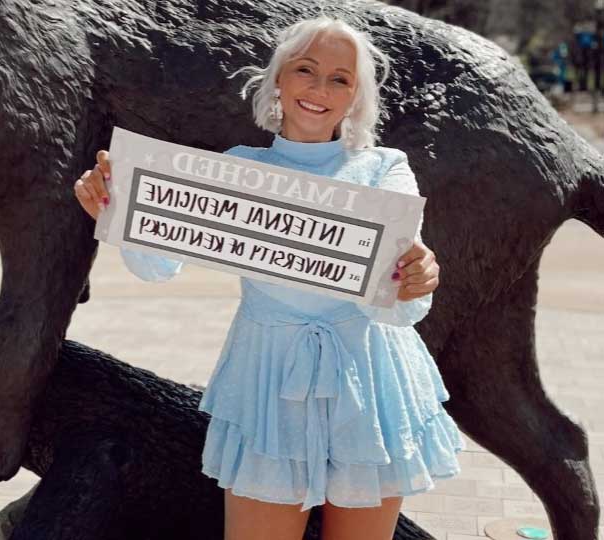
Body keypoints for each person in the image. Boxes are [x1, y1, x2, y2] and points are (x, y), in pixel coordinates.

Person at [73, 15, 465, 540]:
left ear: (356, 98)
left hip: (368, 379)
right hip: (267, 379)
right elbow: (157, 266)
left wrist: (418, 275)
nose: (320, 88)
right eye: (306, 69)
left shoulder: (384, 169)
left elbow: (393, 305)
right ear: (277, 80)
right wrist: (118, 211)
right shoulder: (237, 169)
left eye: (340, 78)